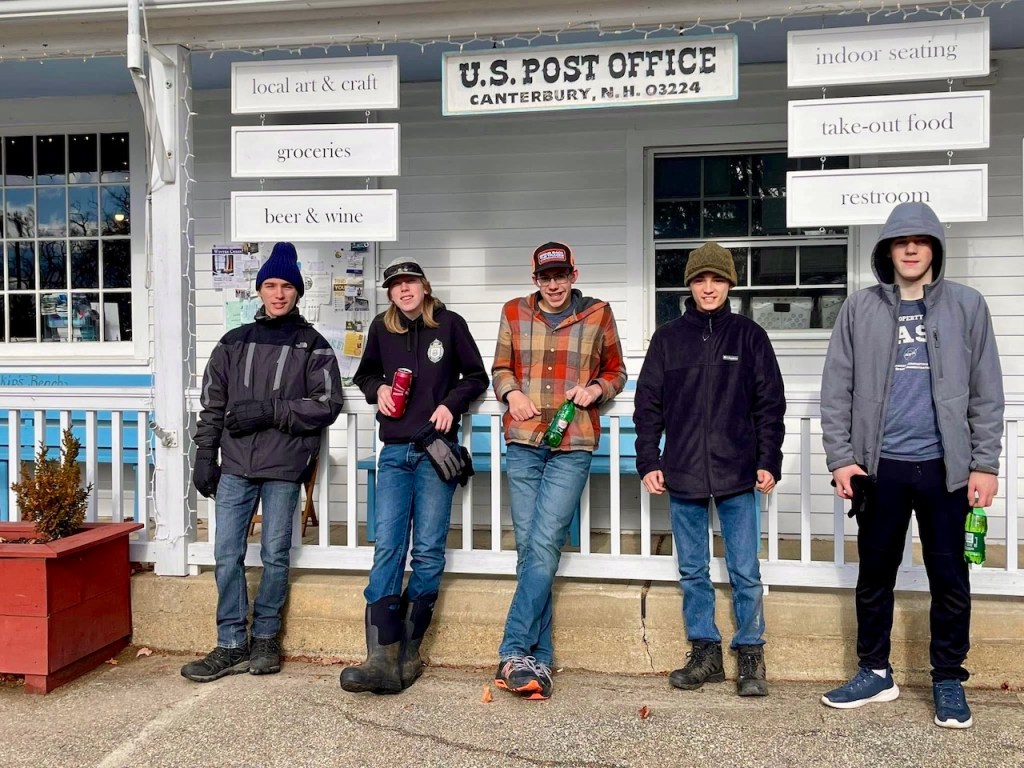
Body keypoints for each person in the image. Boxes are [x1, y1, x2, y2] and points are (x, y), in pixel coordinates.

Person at [819, 202, 1004, 728]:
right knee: (874, 574)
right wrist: (842, 460)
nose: (911, 248)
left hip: (947, 468)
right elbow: (837, 392)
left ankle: (947, 677)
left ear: (934, 249)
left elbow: (987, 393)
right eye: (902, 241)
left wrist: (984, 464)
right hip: (881, 470)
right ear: (887, 251)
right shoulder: (860, 309)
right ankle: (875, 672)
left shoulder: (967, 306)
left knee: (950, 576)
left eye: (921, 241)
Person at [182, 242, 344, 682]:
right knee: (226, 552)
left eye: (286, 286)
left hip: (284, 466)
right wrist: (204, 455)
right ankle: (231, 642)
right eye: (270, 285)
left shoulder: (313, 345)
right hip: (235, 464)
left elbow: (328, 403)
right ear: (259, 291)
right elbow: (212, 405)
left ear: (297, 292)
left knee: (274, 554)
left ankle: (266, 638)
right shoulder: (233, 343)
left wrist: (273, 411)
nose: (278, 293)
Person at [633, 241, 786, 697]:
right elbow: (648, 407)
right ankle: (705, 653)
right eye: (700, 279)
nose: (708, 287)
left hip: (738, 470)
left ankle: (751, 654)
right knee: (693, 570)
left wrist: (768, 459)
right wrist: (649, 460)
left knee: (744, 569)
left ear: (729, 284)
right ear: (690, 285)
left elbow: (770, 405)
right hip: (682, 472)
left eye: (717, 279)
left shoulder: (749, 336)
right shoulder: (668, 339)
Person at [341, 256, 488, 695]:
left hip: (434, 450)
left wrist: (451, 403)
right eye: (395, 285)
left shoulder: (450, 323)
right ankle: (380, 656)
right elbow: (364, 374)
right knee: (388, 545)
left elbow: (477, 376)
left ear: (424, 286)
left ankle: (408, 654)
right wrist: (379, 389)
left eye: (410, 282)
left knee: (426, 551)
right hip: (394, 451)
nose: (404, 290)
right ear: (389, 292)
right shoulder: (381, 329)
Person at [491, 241, 627, 700]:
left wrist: (597, 390)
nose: (553, 285)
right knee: (531, 547)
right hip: (525, 441)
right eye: (545, 277)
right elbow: (500, 368)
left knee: (545, 540)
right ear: (535, 279)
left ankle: (512, 649)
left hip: (573, 443)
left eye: (561, 276)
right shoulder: (513, 311)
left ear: (574, 274)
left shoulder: (598, 313)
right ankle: (538, 659)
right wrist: (511, 394)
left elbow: (617, 371)